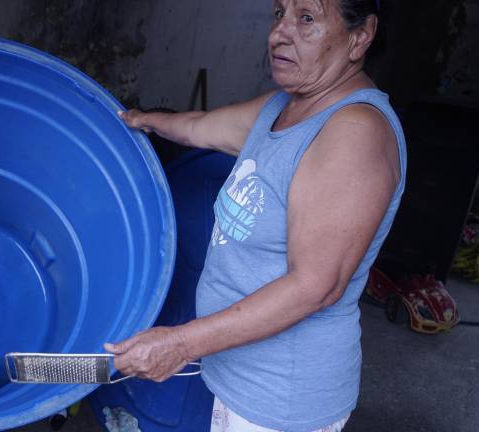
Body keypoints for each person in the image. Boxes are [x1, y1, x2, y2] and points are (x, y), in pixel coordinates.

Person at [104, 1, 406, 431]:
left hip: (283, 399)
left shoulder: (353, 133)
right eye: (279, 13)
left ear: (361, 36)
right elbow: (201, 127)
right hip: (237, 379)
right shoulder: (284, 107)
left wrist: (180, 342)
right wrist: (138, 120)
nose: (280, 33)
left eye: (306, 19)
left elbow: (315, 287)